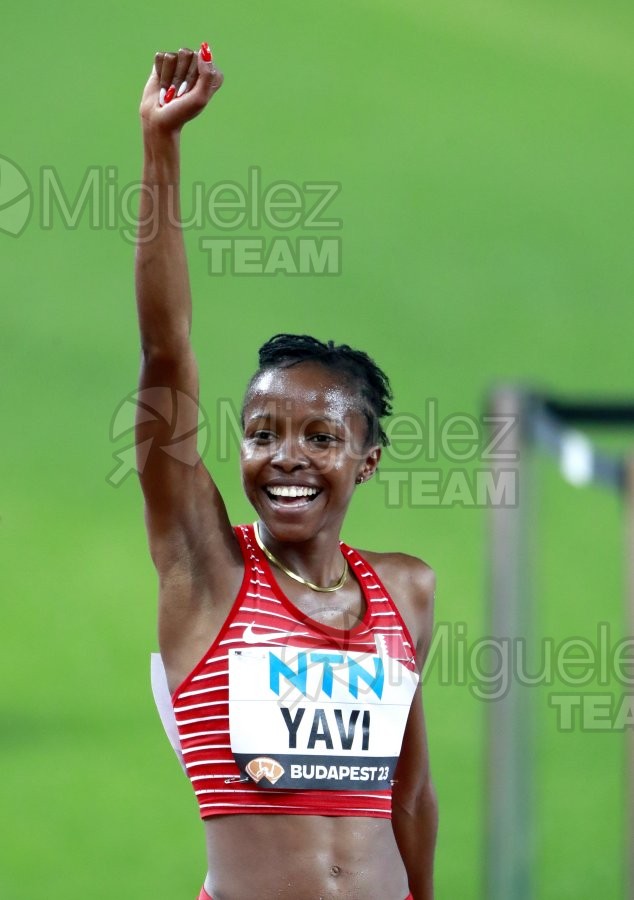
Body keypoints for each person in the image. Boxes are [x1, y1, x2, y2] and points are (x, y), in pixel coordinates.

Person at [136, 42, 438, 900]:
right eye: (263, 434)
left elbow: (409, 794)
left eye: (319, 437)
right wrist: (162, 145)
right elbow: (166, 353)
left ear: (365, 461)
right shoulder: (206, 571)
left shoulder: (406, 591)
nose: (286, 459)